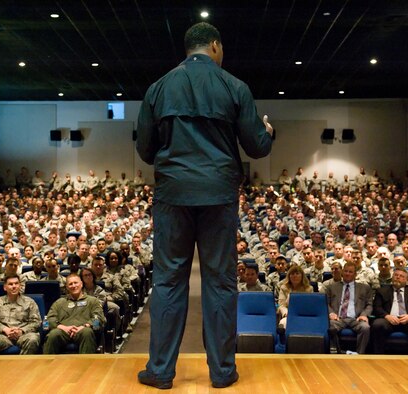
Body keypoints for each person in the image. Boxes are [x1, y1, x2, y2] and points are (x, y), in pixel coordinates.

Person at [135, 22, 272, 389]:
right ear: (214, 46)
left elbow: (146, 151)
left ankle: (161, 372)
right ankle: (222, 373)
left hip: (173, 196)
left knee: (167, 283)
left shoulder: (158, 88)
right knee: (220, 284)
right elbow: (256, 146)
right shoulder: (234, 86)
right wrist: (268, 131)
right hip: (218, 196)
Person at [43, 274, 105, 354]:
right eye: (70, 284)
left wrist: (86, 326)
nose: (73, 286)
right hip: (63, 331)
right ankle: (49, 364)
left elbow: (98, 318)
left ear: (81, 284)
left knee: (87, 332)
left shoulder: (93, 301)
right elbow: (49, 319)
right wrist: (62, 327)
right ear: (67, 287)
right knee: (53, 334)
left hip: (83, 330)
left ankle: (85, 364)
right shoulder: (59, 302)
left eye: (76, 283)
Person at [370, 267, 408, 354]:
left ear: (407, 280)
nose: (398, 277)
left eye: (401, 276)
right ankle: (378, 355)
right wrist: (387, 316)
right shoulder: (382, 290)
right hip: (389, 320)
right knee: (378, 324)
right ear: (392, 277)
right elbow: (377, 307)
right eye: (396, 275)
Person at [0, 274, 41, 355]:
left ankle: (24, 366)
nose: (14, 286)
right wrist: (5, 329)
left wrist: (21, 331)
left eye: (16, 283)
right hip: (4, 336)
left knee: (33, 339)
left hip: (24, 335)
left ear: (20, 286)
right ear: (5, 287)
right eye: (10, 284)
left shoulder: (30, 302)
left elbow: (36, 322)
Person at [325, 262, 373, 354]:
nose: (347, 274)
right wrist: (331, 313)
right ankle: (338, 353)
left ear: (355, 274)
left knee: (365, 328)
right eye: (346, 271)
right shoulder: (332, 287)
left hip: (357, 318)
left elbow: (369, 304)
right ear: (342, 272)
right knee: (330, 327)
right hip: (338, 318)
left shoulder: (364, 288)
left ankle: (360, 355)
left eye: (350, 272)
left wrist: (364, 315)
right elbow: (325, 303)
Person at [277, 265, 314, 330]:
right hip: (288, 315)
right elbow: (281, 305)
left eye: (297, 273)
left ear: (302, 276)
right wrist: (286, 313)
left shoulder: (309, 289)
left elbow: (310, 306)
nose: (295, 276)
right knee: (283, 323)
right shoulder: (284, 288)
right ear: (289, 276)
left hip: (304, 315)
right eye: (292, 274)